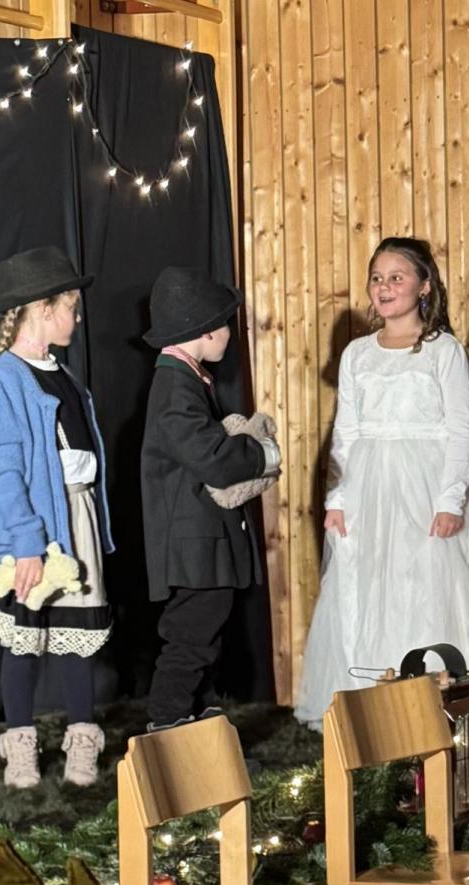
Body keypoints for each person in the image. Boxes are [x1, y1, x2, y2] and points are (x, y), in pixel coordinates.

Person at [294, 237, 469, 727]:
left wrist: (450, 500)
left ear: (424, 286)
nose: (385, 286)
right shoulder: (357, 354)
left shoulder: (443, 351)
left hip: (425, 489)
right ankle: (377, 708)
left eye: (397, 277)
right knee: (370, 588)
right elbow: (346, 431)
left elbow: (461, 428)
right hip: (368, 491)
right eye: (377, 278)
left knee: (428, 588)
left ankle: (437, 704)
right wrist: (336, 498)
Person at [0, 246, 113, 789]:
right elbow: (2, 473)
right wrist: (27, 543)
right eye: (71, 307)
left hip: (74, 515)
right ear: (43, 309)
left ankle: (81, 744)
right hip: (28, 525)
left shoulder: (63, 375)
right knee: (22, 640)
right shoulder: (1, 383)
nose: (78, 318)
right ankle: (21, 749)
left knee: (76, 636)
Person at [140, 267, 280, 732]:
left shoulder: (188, 379)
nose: (229, 335)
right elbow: (212, 458)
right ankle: (168, 728)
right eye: (226, 325)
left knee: (206, 636)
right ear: (207, 330)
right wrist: (263, 453)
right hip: (194, 545)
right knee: (190, 638)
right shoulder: (174, 385)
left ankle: (199, 729)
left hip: (204, 543)